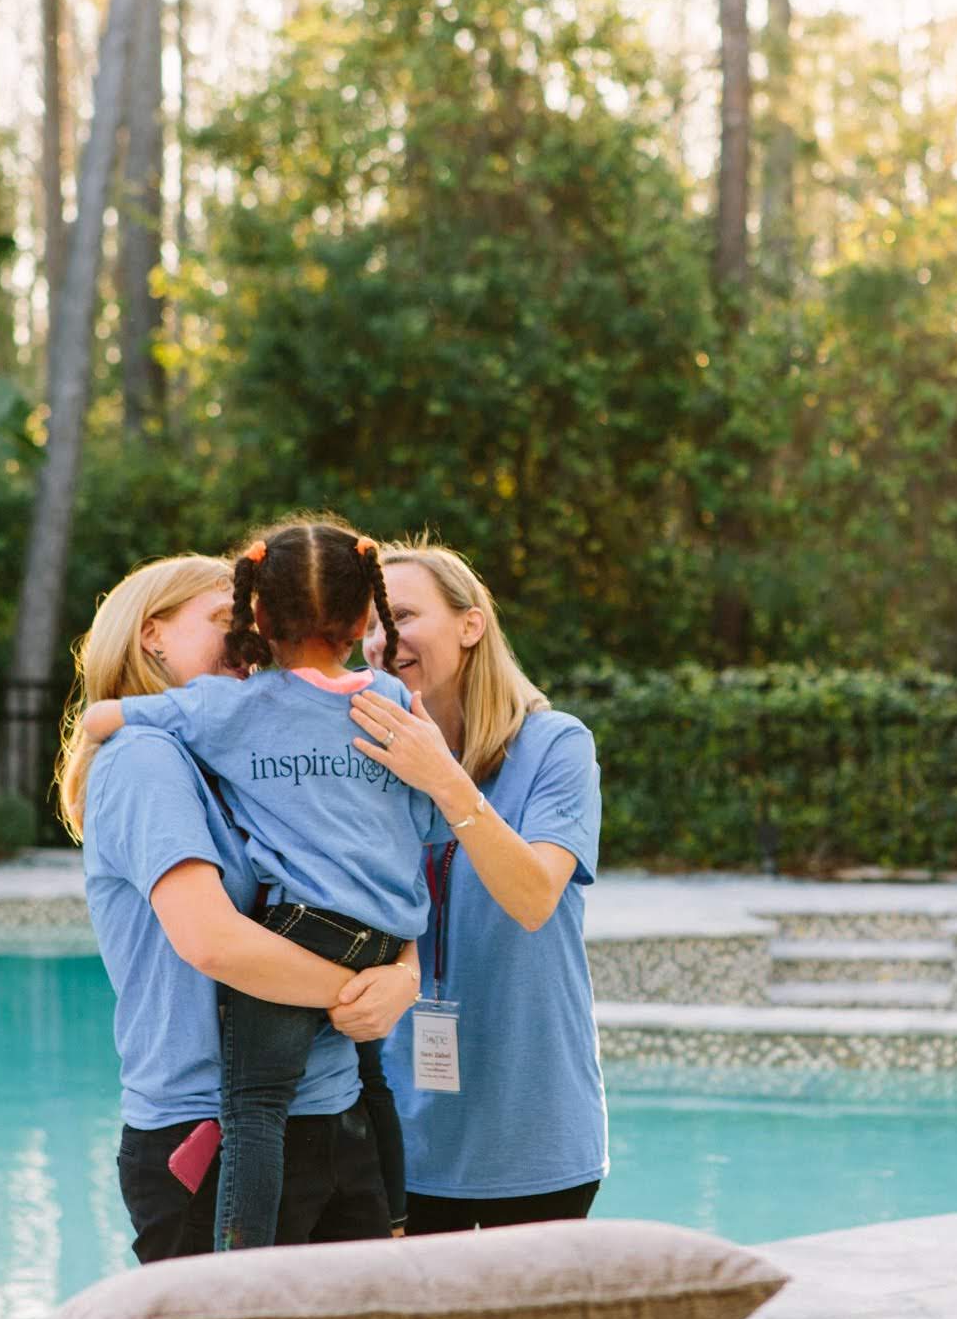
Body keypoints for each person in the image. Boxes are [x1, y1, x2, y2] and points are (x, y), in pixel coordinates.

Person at [79, 518, 442, 1251]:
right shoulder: (144, 759)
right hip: (209, 1130)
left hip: (330, 1113)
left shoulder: (250, 744)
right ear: (152, 636)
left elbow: (368, 866)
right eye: (226, 619)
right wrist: (368, 988)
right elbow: (212, 940)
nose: (248, 637)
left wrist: (403, 973)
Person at [350, 540, 608, 1233]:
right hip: (400, 1143)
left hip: (536, 1140)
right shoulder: (364, 764)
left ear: (471, 624)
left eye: (402, 615)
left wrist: (443, 777)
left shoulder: (556, 747)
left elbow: (533, 898)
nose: (381, 640)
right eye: (369, 626)